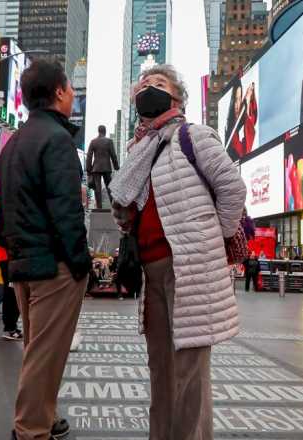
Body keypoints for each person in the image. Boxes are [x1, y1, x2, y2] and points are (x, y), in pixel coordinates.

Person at [109, 64, 246, 440]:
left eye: (159, 83)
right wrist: (125, 217)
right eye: (144, 84)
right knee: (161, 370)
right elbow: (132, 209)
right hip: (151, 269)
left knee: (189, 372)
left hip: (190, 268)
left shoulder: (193, 136)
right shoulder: (137, 150)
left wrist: (211, 239)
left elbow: (233, 189)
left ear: (177, 98)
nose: (148, 88)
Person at [0, 59, 91, 440]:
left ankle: (44, 416)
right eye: (69, 89)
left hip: (24, 263)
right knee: (46, 353)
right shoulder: (58, 140)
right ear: (57, 93)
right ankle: (31, 429)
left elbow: (5, 211)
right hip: (55, 265)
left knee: (37, 348)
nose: (72, 96)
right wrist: (81, 263)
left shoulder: (13, 144)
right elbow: (66, 209)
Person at [85, 125, 119, 210]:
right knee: (109, 187)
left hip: (96, 168)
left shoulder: (93, 142)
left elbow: (89, 156)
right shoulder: (109, 141)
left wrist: (89, 170)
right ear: (105, 131)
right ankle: (113, 206)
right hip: (106, 167)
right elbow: (113, 155)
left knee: (97, 188)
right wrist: (116, 167)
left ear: (98, 131)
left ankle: (99, 207)